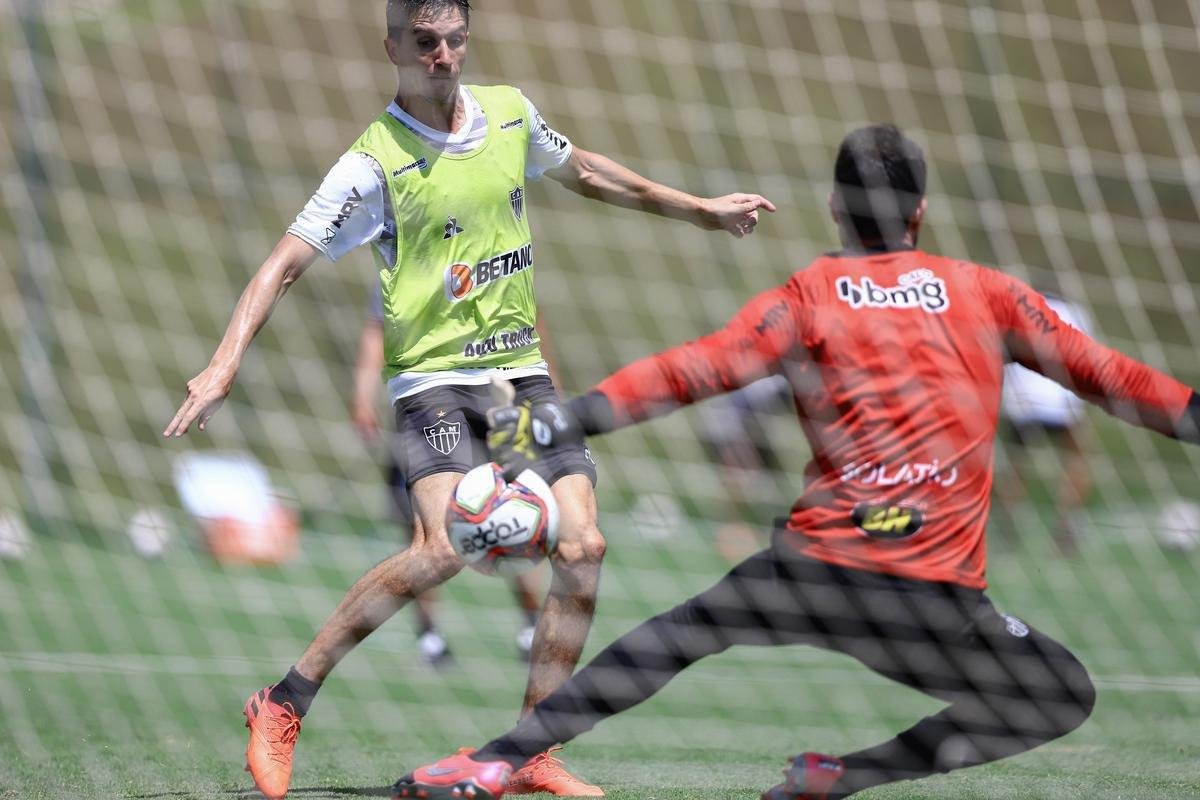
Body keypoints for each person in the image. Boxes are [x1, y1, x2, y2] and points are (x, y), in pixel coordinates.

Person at [395, 124, 1200, 800]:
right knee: (1062, 694)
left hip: (819, 572)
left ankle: (496, 759)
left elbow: (693, 370)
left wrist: (567, 420)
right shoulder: (986, 293)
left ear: (834, 208)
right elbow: (1111, 378)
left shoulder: (811, 293)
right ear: (921, 211)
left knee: (679, 635)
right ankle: (845, 776)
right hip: (934, 601)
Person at [162, 1, 774, 798]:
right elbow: (281, 263)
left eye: (454, 39)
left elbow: (585, 170)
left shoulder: (513, 114)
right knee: (442, 549)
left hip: (518, 375)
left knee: (583, 546)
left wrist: (700, 208)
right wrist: (221, 366)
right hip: (435, 381)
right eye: (425, 42)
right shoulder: (371, 163)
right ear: (393, 49)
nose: (443, 54)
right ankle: (283, 701)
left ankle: (531, 752)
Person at [352, 284, 542, 665]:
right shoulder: (401, 264)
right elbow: (377, 330)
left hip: (490, 404)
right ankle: (430, 634)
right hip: (427, 407)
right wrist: (361, 396)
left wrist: (540, 389)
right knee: (424, 530)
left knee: (514, 512)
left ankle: (532, 622)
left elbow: (529, 321)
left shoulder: (491, 249)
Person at [996, 290, 1094, 555]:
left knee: (1016, 465)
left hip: (1023, 401)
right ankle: (1065, 528)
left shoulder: (1017, 308)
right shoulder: (1076, 313)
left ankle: (1006, 528)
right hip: (1061, 402)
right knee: (1076, 461)